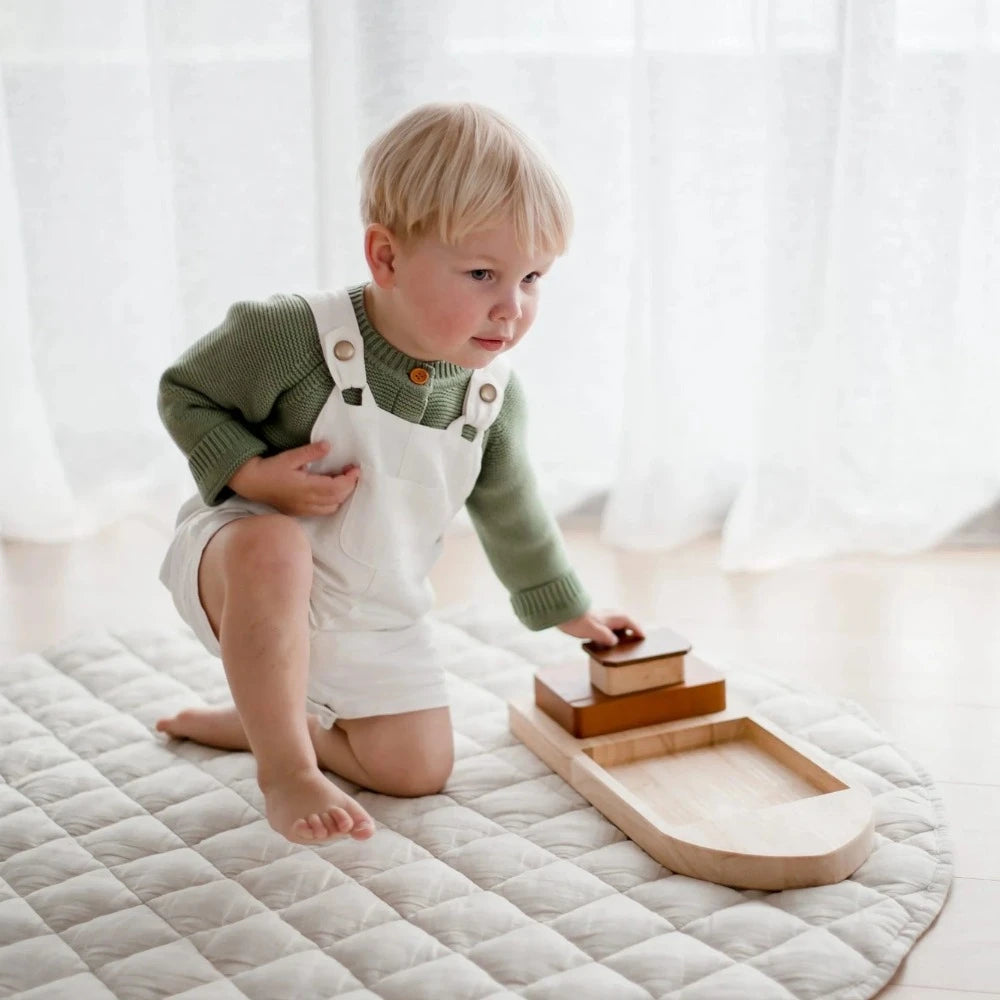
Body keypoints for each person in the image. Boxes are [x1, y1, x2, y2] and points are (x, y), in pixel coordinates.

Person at [154, 101, 643, 846]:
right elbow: (184, 391)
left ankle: (269, 719)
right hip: (242, 563)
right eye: (482, 274)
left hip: (366, 609)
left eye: (533, 278)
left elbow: (514, 512)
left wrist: (571, 611)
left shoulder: (489, 396)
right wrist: (252, 477)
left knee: (418, 769)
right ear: (385, 257)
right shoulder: (291, 335)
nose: (510, 309)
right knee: (276, 546)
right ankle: (285, 766)